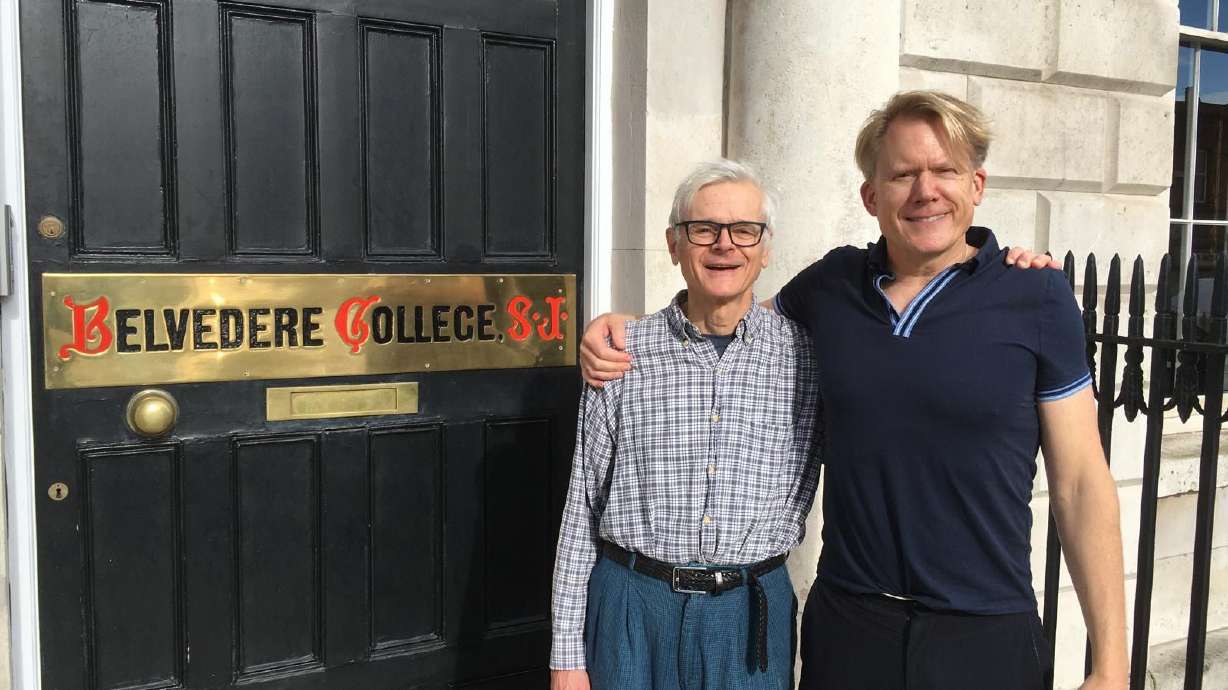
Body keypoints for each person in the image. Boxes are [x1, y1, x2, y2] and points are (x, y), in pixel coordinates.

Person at [579, 90, 1128, 690]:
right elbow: (728, 323)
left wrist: (1111, 664)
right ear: (871, 196)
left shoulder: (1036, 296)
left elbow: (1080, 483)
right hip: (851, 626)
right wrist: (628, 329)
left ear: (977, 184)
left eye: (945, 170)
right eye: (903, 174)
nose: (926, 190)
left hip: (983, 629)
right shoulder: (833, 285)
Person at [549, 160, 822, 690]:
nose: (725, 245)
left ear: (765, 250)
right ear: (675, 245)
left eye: (745, 230)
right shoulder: (622, 353)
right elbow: (582, 509)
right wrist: (566, 656)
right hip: (630, 607)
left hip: (749, 616)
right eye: (704, 229)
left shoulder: (806, 359)